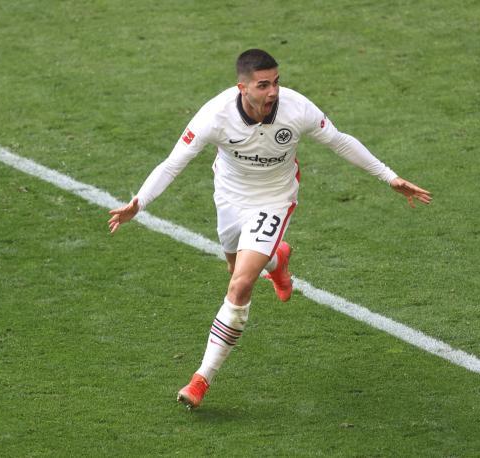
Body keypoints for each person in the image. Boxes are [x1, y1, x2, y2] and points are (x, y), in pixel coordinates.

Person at [108, 49, 431, 410]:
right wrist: (139, 203)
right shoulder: (215, 115)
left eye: (276, 82)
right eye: (263, 85)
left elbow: (339, 140)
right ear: (242, 88)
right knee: (235, 268)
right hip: (229, 199)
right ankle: (277, 260)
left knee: (240, 284)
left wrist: (389, 176)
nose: (273, 91)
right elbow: (172, 164)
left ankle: (201, 379)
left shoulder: (297, 109)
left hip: (274, 200)